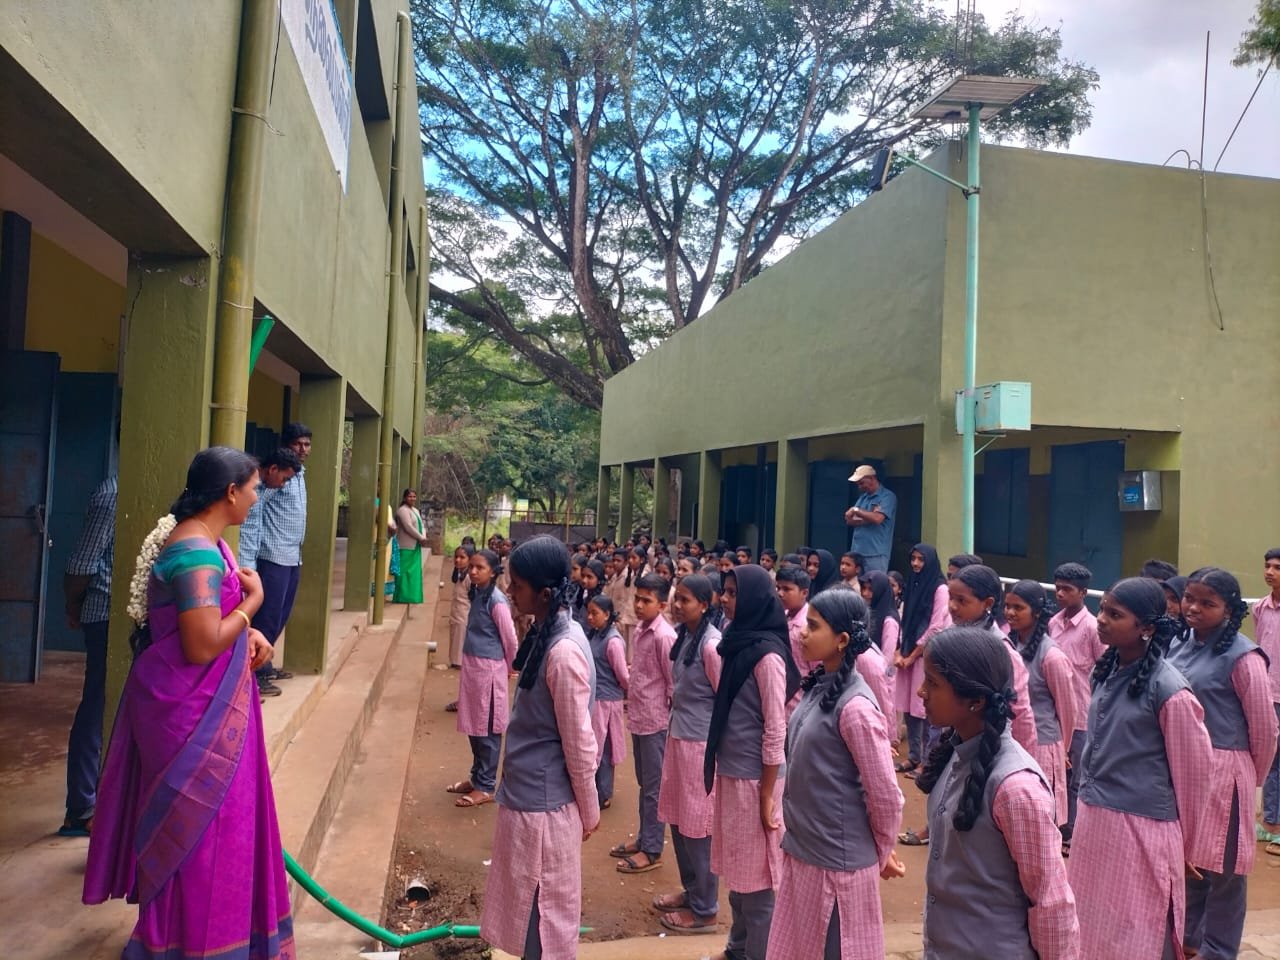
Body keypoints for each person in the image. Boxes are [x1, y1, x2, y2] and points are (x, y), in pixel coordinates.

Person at [84, 447, 292, 959]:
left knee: (221, 830)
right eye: (253, 489)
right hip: (187, 714)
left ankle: (215, 939)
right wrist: (253, 604)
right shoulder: (196, 552)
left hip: (206, 704)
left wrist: (248, 634)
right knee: (197, 833)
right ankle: (183, 944)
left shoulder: (207, 542)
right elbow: (200, 645)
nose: (256, 498)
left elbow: (208, 623)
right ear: (230, 492)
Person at [1069, 577, 1213, 960]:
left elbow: (1195, 777)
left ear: (1146, 627)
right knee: (1090, 926)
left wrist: (1187, 847)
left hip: (1142, 830)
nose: (1101, 619)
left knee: (1138, 930)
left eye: (1115, 614)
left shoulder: (1170, 691)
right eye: (1102, 609)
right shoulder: (1104, 671)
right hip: (1094, 822)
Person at [915, 626, 1080, 959]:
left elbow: (1049, 899)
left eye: (932, 683)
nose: (921, 692)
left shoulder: (1016, 789)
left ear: (975, 701)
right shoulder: (955, 755)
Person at [767, 589, 905, 960]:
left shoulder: (856, 708)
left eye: (813, 626)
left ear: (842, 640)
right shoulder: (820, 685)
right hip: (806, 851)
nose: (802, 633)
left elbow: (886, 796)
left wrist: (879, 850)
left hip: (836, 867)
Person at [479, 536, 599, 960]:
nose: (510, 592)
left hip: (545, 809)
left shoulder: (563, 652)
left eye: (518, 586)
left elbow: (579, 743)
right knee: (528, 907)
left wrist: (589, 809)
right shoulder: (547, 634)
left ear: (545, 594)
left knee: (543, 916)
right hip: (529, 798)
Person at [1168, 568, 1277, 960]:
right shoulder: (1179, 644)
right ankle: (1190, 939)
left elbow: (1265, 729)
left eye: (1207, 603)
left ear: (1229, 610)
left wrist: (1247, 778)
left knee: (1226, 869)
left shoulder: (1244, 658)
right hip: (1184, 769)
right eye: (1189, 598)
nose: (1194, 608)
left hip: (1225, 771)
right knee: (1192, 860)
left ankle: (1220, 949)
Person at [704, 564, 802, 960]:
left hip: (755, 781)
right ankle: (737, 948)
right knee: (739, 874)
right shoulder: (736, 642)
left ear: (754, 600)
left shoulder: (767, 657)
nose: (724, 599)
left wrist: (766, 794)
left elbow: (775, 729)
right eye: (724, 591)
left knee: (758, 882)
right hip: (734, 773)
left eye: (733, 593)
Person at [654, 574, 724, 934]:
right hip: (678, 738)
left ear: (704, 604)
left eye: (685, 600)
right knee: (679, 820)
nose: (677, 605)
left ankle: (706, 909)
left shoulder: (712, 646)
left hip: (699, 747)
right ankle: (692, 890)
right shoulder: (684, 637)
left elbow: (724, 699)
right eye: (676, 598)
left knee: (698, 827)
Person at [59, 472, 117, 837]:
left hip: (127, 614)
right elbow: (81, 565)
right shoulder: (112, 494)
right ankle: (81, 807)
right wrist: (73, 605)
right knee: (97, 707)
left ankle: (100, 802)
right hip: (105, 611)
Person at [238, 425, 311, 697]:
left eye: (307, 444)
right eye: (298, 444)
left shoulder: (297, 474)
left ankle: (265, 664)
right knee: (267, 616)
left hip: (293, 555)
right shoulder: (271, 480)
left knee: (281, 614)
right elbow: (255, 508)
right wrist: (249, 559)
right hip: (272, 555)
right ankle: (255, 674)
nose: (303, 449)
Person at [611, 573, 675, 874]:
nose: (638, 605)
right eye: (637, 599)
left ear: (662, 605)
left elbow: (672, 683)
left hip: (656, 721)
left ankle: (652, 848)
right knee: (645, 783)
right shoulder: (640, 629)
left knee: (653, 787)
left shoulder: (664, 636)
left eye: (646, 601)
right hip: (639, 716)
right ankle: (644, 837)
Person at [448, 549, 517, 809]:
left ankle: (486, 785)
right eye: (472, 567)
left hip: (489, 670)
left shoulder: (497, 601)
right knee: (473, 725)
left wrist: (510, 666)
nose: (474, 571)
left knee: (487, 728)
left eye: (480, 568)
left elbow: (510, 638)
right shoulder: (476, 592)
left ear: (493, 571)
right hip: (473, 669)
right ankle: (476, 777)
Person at [1005, 580, 1077, 828]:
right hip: (1012, 741)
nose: (1010, 613)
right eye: (1007, 606)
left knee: (1039, 815)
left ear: (1036, 612)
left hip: (1042, 745)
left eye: (1018, 608)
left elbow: (1067, 709)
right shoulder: (1009, 645)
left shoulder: (1052, 656)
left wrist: (1064, 749)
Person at [1047, 561, 1102, 847]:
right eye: (1057, 588)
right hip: (1055, 713)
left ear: (1082, 593)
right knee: (1056, 772)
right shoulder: (1053, 624)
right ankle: (1056, 826)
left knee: (1077, 778)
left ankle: (1072, 832)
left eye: (1067, 589)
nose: (1060, 594)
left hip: (1081, 715)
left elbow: (1104, 669)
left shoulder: (1092, 628)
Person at [893, 544, 949, 776]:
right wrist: (899, 651)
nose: (915, 564)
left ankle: (927, 761)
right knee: (908, 707)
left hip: (925, 655)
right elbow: (904, 618)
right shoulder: (913, 583)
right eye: (913, 558)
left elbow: (936, 626)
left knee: (924, 706)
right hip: (907, 652)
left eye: (920, 559)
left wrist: (913, 655)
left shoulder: (940, 589)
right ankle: (914, 756)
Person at [586, 594, 630, 810]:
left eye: (594, 613)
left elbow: (622, 674)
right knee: (594, 745)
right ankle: (593, 789)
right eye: (589, 613)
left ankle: (603, 792)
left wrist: (626, 691)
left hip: (606, 701)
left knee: (604, 748)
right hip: (595, 698)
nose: (590, 617)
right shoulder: (595, 634)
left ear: (607, 614)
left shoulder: (613, 642)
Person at [1255, 547, 1280, 853]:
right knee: (1272, 760)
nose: (1270, 572)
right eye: (1267, 566)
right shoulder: (1260, 608)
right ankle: (1272, 823)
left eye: (1277, 567)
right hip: (1268, 694)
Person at [842, 465, 896, 573]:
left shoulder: (887, 497)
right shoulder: (863, 498)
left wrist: (857, 511)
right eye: (858, 484)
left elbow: (878, 519)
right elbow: (849, 520)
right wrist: (869, 517)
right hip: (857, 552)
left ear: (872, 478)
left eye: (862, 483)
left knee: (874, 581)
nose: (860, 487)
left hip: (876, 553)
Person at [392, 489, 430, 605]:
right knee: (404, 572)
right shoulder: (402, 511)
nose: (412, 498)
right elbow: (408, 527)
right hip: (405, 546)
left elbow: (421, 525)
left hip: (415, 545)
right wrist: (420, 538)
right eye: (410, 496)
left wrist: (423, 537)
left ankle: (411, 596)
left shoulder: (415, 510)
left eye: (414, 496)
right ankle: (401, 596)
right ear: (404, 498)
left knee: (413, 573)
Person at [775, 565, 812, 672]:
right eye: (778, 588)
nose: (780, 593)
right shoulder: (781, 616)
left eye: (786, 589)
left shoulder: (809, 624)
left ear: (804, 593)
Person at [448, 544, 475, 669]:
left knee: (460, 639)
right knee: (455, 637)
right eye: (456, 557)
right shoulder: (459, 574)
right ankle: (455, 661)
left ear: (470, 559)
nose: (457, 560)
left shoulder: (469, 578)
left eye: (462, 557)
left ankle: (459, 663)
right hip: (456, 613)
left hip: (464, 615)